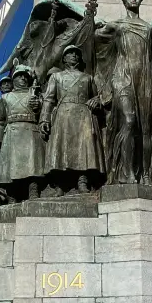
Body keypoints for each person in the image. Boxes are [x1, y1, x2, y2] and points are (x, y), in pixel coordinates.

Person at [96, 0, 152, 186]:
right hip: (123, 77)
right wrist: (91, 20)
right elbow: (93, 42)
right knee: (129, 121)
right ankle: (126, 172)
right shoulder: (117, 25)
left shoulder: (150, 28)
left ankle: (147, 174)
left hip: (146, 78)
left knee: (146, 129)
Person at [39, 45, 104, 194]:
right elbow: (49, 99)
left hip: (83, 114)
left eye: (76, 54)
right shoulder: (57, 77)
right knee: (62, 148)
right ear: (64, 58)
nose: (74, 56)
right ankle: (61, 184)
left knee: (84, 149)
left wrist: (97, 101)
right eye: (70, 53)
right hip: (64, 115)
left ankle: (82, 180)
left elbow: (95, 96)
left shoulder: (88, 78)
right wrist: (44, 119)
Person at [0, 65, 46, 202]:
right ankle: (12, 194)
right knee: (12, 165)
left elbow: (45, 114)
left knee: (32, 164)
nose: (22, 78)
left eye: (25, 76)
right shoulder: (6, 98)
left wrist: (38, 107)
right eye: (19, 75)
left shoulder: (35, 95)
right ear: (14, 79)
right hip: (12, 132)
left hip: (30, 130)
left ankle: (33, 190)